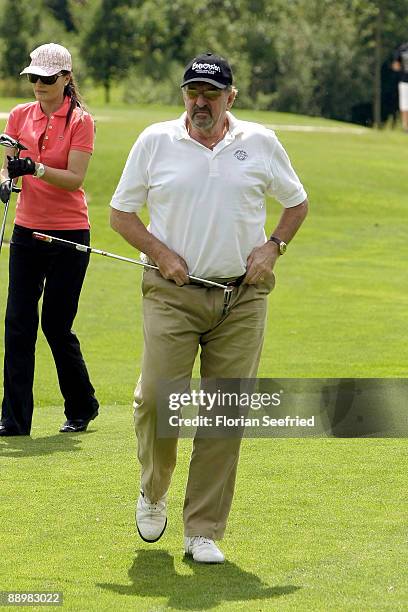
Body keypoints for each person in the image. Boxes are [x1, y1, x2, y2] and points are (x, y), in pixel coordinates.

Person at [110, 53, 308, 563]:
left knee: (224, 413)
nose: (200, 102)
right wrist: (161, 253)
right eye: (192, 92)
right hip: (170, 291)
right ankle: (153, 492)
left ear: (230, 98)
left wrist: (273, 248)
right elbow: (120, 213)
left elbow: (296, 202)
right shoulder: (156, 141)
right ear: (184, 95)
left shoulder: (260, 142)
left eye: (211, 94)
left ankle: (202, 529)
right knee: (157, 401)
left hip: (241, 297)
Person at [0, 43, 99, 436]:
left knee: (56, 325)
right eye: (33, 78)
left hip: (69, 233)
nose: (38, 85)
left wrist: (37, 168)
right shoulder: (19, 114)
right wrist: (7, 181)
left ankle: (82, 405)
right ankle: (14, 419)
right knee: (18, 323)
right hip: (26, 230)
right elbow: (5, 166)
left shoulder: (80, 120)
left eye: (46, 79)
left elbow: (75, 178)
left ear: (65, 79)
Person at [392, 42, 408, 131]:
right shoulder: (403, 48)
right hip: (404, 81)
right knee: (404, 105)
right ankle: (405, 127)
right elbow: (396, 64)